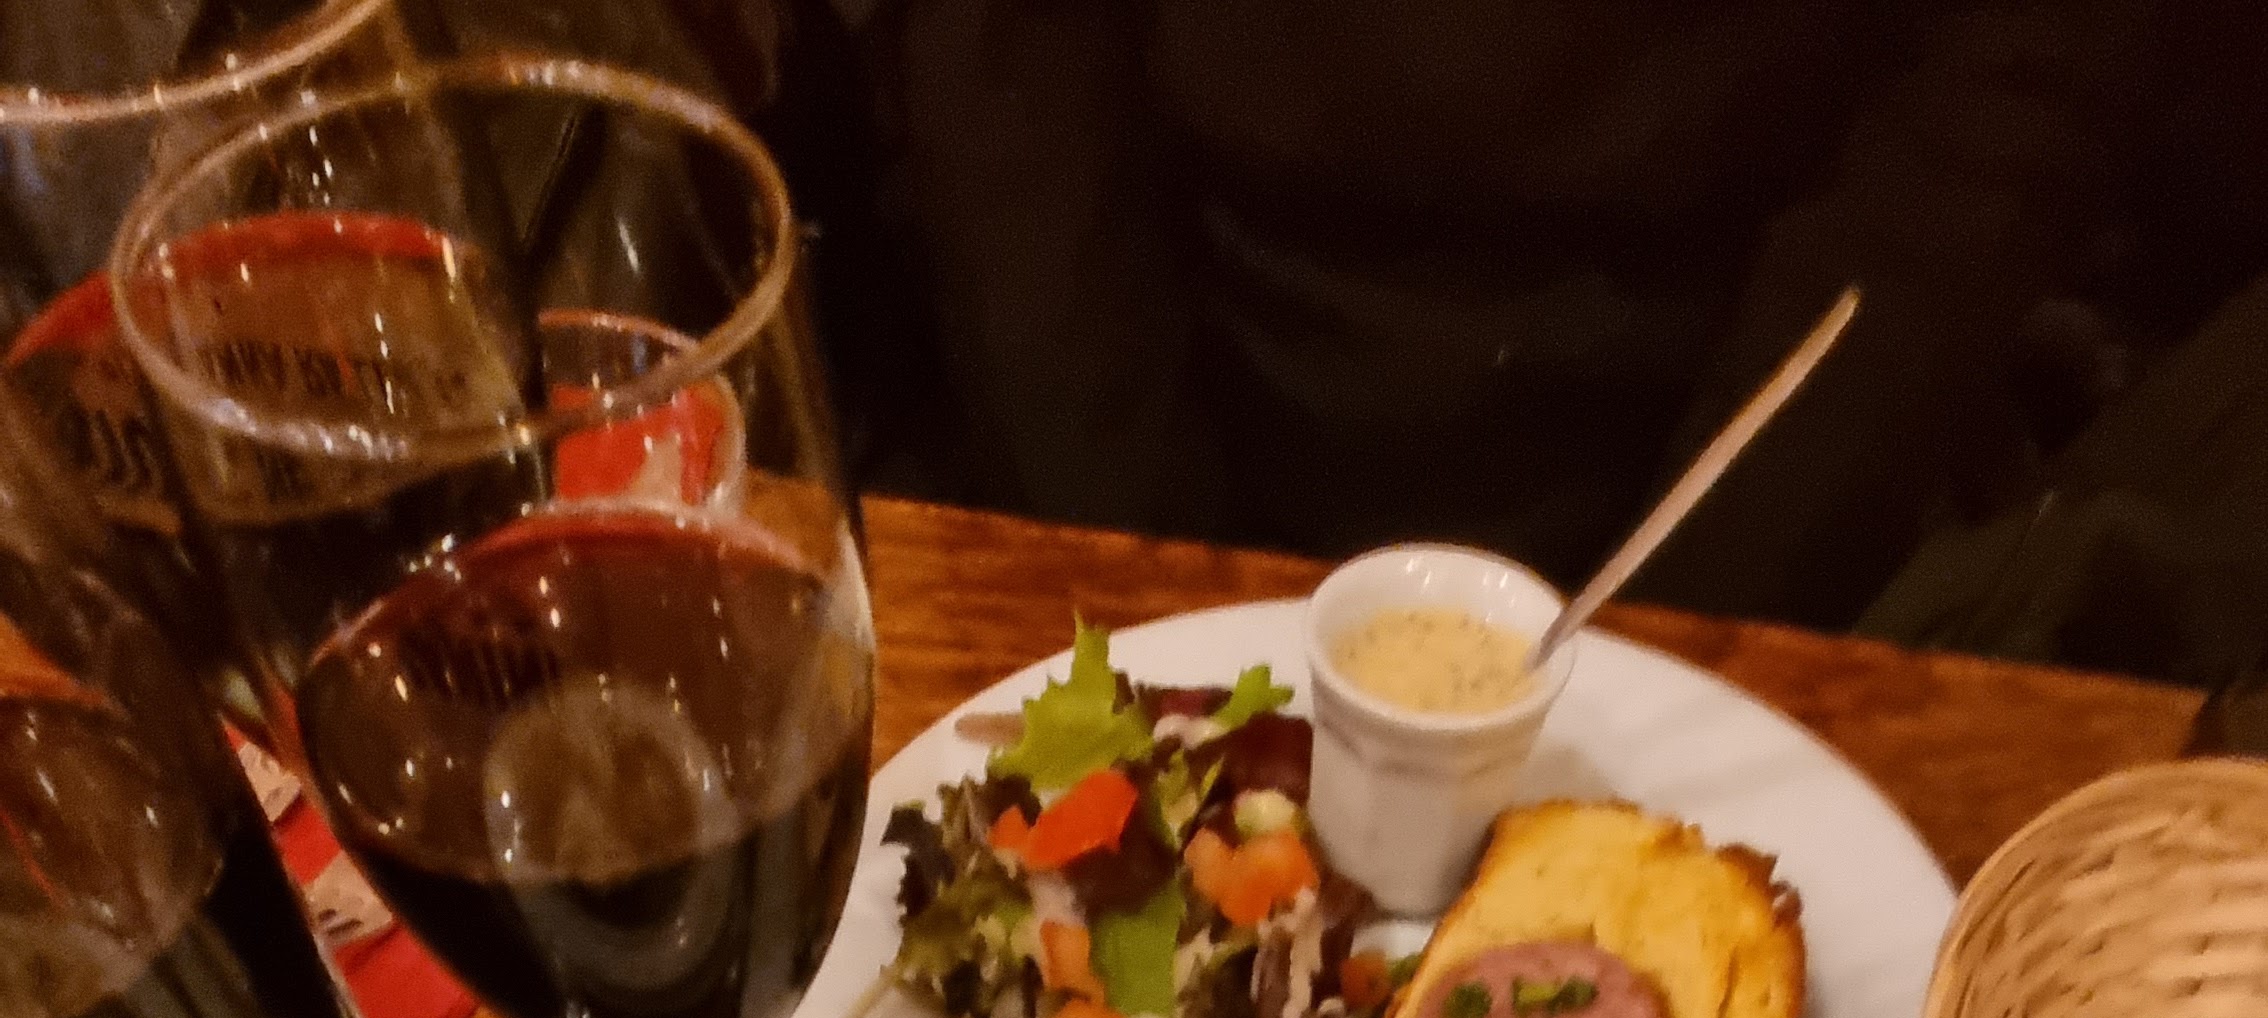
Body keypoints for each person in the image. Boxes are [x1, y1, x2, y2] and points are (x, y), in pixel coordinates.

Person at [786, 0, 2200, 646]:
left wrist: (1672, 645)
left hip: (1780, 457)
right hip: (1150, 402)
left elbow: (2008, 96)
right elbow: (1011, 77)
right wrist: (1173, 616)